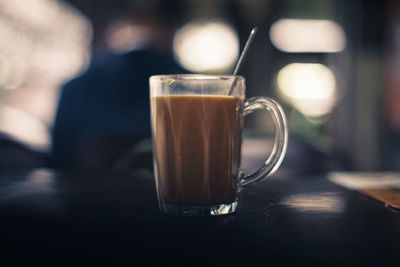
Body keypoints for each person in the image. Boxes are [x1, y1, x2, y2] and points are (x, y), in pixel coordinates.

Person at [51, 1, 186, 171]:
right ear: (171, 32)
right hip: (174, 191)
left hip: (87, 191)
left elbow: (59, 158)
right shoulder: (196, 88)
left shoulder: (76, 88)